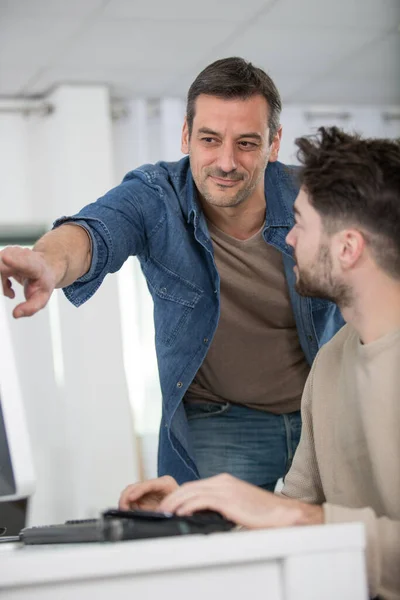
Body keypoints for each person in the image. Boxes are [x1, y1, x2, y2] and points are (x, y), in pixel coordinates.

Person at [0, 58, 343, 488]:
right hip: (221, 422)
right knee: (217, 548)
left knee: (342, 543)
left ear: (274, 145)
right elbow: (96, 231)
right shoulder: (155, 196)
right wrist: (47, 262)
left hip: (324, 414)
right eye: (210, 139)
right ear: (186, 136)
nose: (226, 161)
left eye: (247, 143)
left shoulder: (314, 199)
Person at [119, 127, 400, 600]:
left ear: (348, 248)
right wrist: (200, 516)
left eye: (301, 224)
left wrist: (297, 518)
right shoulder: (331, 365)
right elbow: (295, 510)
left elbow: (301, 519)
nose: (287, 238)